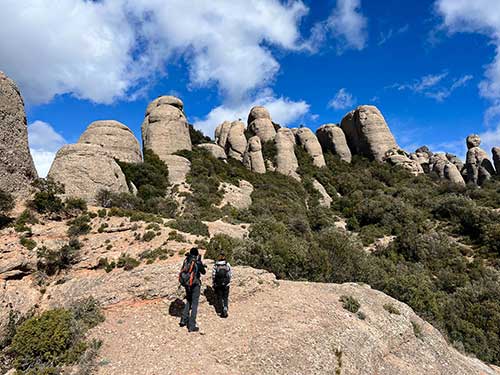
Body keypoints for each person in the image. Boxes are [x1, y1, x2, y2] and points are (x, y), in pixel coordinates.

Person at [179, 247, 206, 332]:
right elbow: (203, 272)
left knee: (188, 301)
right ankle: (191, 325)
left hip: (187, 284)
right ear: (197, 254)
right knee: (194, 304)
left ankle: (183, 320)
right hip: (195, 285)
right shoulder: (196, 261)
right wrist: (200, 262)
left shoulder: (187, 259)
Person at [212, 253, 232, 318]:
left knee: (219, 297)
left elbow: (213, 275)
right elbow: (230, 274)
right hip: (226, 283)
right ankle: (225, 308)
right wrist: (228, 281)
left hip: (218, 284)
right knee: (225, 297)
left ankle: (220, 311)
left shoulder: (216, 265)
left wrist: (214, 283)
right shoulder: (227, 264)